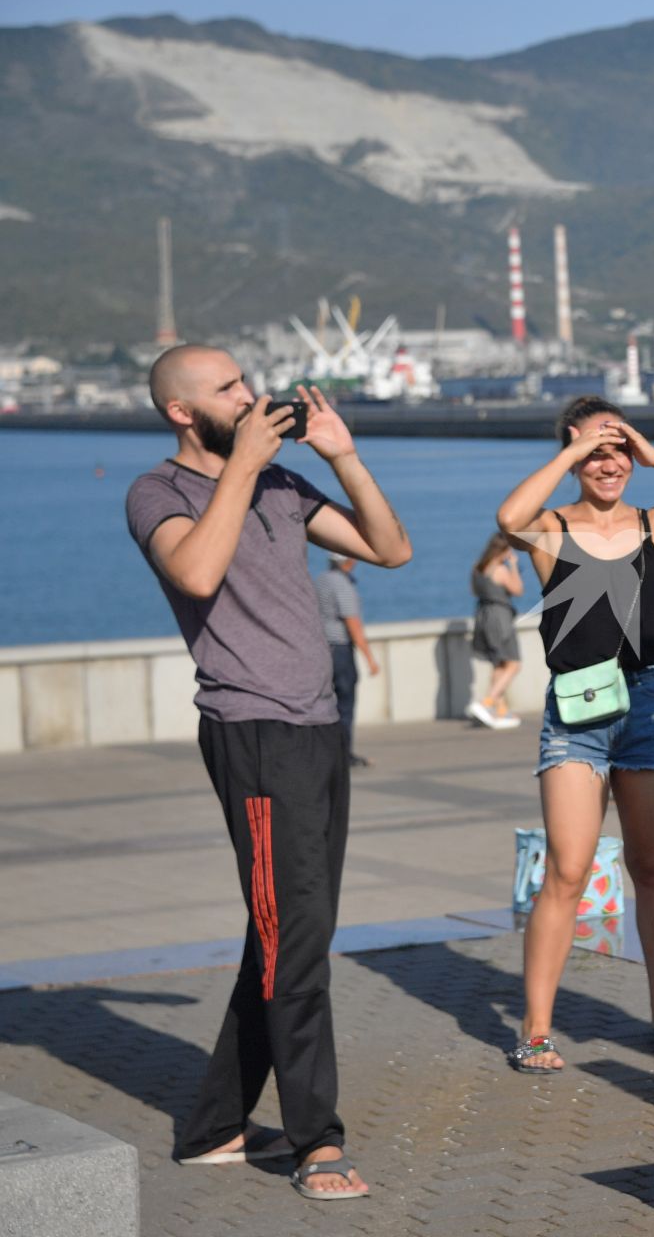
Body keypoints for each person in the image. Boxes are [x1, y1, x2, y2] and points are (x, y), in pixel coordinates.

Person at [124, 347, 411, 1201]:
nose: (250, 399)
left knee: (287, 930)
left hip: (319, 730)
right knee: (296, 942)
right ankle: (317, 1141)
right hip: (253, 735)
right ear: (181, 411)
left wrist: (342, 455)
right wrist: (243, 467)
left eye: (247, 383)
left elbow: (389, 550)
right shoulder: (158, 493)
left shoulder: (286, 485)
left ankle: (216, 1128)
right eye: (227, 391)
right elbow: (196, 572)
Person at [494, 396, 654, 1070]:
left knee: (651, 865)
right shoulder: (549, 531)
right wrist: (570, 453)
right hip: (575, 709)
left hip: (646, 703)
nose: (606, 463)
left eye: (617, 452)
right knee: (568, 869)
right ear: (572, 457)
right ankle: (537, 1029)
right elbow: (507, 518)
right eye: (592, 452)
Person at [314, 553, 379, 765]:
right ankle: (343, 755)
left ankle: (324, 752)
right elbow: (353, 623)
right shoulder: (342, 585)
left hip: (321, 648)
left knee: (324, 704)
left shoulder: (321, 580)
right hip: (340, 650)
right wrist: (369, 658)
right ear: (350, 561)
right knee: (345, 704)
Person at [468, 533, 524, 729]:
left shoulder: (478, 568)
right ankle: (487, 703)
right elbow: (517, 589)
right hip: (500, 616)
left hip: (483, 615)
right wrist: (514, 566)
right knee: (513, 663)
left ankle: (499, 710)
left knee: (499, 663)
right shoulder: (499, 570)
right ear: (504, 550)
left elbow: (474, 591)